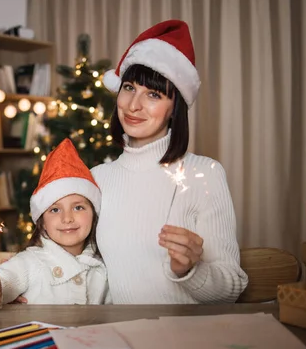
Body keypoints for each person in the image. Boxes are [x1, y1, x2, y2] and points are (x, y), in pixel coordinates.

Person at [93, 19, 248, 304]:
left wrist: (189, 270)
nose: (134, 105)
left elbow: (232, 286)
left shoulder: (205, 174)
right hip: (118, 338)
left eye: (153, 94)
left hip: (182, 341)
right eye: (129, 88)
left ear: (174, 108)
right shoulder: (97, 179)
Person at [0, 139, 109, 315]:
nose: (67, 218)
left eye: (78, 207)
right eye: (55, 209)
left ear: (93, 215)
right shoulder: (31, 262)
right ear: (43, 223)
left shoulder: (102, 265)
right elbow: (1, 279)